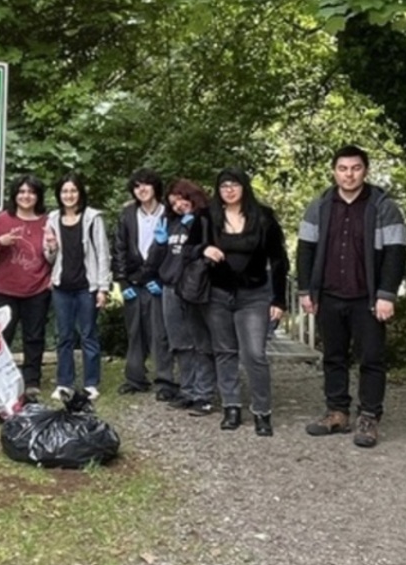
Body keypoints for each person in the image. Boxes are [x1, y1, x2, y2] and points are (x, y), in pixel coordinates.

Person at [297, 145, 406, 449]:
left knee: (371, 358)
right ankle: (337, 412)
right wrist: (306, 290)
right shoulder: (319, 206)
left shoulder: (383, 206)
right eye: (343, 168)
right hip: (330, 295)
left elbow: (396, 254)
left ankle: (369, 416)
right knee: (333, 356)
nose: (349, 174)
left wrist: (387, 295)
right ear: (334, 171)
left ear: (365, 171)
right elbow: (305, 249)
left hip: (367, 298)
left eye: (355, 168)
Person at [203, 168, 290, 437]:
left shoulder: (263, 218)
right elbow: (190, 248)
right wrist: (203, 249)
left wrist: (279, 298)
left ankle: (262, 411)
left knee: (254, 354)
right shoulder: (207, 217)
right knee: (225, 351)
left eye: (234, 185)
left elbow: (278, 260)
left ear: (244, 187)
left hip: (254, 295)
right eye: (224, 185)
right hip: (218, 294)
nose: (229, 190)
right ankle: (231, 406)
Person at [149, 179, 216, 415]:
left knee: (200, 342)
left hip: (195, 288)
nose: (178, 204)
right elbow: (155, 260)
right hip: (170, 287)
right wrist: (159, 243)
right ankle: (187, 390)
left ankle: (204, 394)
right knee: (179, 343)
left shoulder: (206, 219)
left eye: (181, 198)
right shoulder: (169, 222)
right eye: (173, 201)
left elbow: (209, 250)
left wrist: (193, 227)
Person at [0, 174, 51, 398]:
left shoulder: (47, 220)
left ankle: (32, 380)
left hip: (37, 287)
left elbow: (56, 253)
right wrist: (0, 243)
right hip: (3, 288)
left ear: (38, 196)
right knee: (0, 336)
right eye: (21, 192)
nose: (26, 196)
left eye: (31, 192)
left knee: (34, 336)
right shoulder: (2, 219)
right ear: (15, 195)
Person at [45, 172, 110, 400]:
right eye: (64, 191)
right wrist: (51, 247)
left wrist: (103, 287)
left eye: (73, 190)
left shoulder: (93, 218)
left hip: (87, 286)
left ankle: (91, 382)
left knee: (89, 334)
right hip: (62, 286)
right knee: (63, 336)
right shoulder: (52, 219)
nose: (69, 195)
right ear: (59, 194)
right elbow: (50, 258)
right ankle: (64, 382)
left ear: (80, 193)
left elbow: (102, 253)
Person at [114, 169, 173, 399]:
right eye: (137, 186)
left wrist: (161, 279)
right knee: (135, 331)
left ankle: (165, 381)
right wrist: (121, 280)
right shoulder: (128, 214)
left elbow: (173, 250)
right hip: (133, 281)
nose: (142, 189)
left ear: (155, 187)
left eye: (146, 184)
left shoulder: (168, 214)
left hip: (159, 282)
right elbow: (119, 247)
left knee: (160, 333)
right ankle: (135, 378)